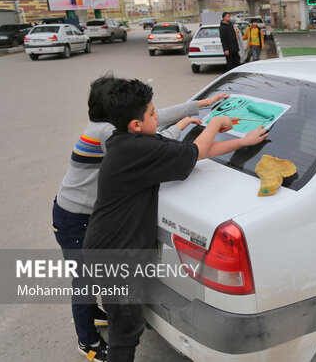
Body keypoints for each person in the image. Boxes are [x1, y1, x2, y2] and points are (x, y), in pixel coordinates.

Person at [83, 77, 267, 362]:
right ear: (136, 124)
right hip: (114, 260)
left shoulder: (129, 141)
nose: (158, 116)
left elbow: (194, 154)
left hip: (110, 251)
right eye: (153, 113)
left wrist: (243, 141)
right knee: (125, 330)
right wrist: (216, 124)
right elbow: (192, 152)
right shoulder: (136, 149)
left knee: (127, 321)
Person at [53, 74, 228, 362]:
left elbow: (152, 123)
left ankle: (105, 314)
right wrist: (183, 126)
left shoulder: (109, 126)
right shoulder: (107, 135)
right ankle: (88, 341)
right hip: (75, 215)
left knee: (97, 280)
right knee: (85, 281)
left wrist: (194, 107)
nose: (155, 116)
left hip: (83, 215)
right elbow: (154, 143)